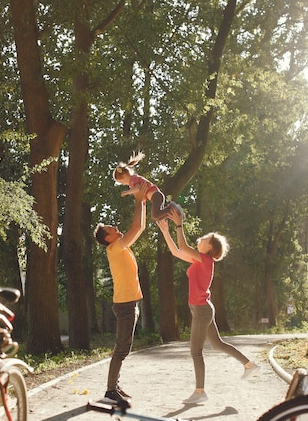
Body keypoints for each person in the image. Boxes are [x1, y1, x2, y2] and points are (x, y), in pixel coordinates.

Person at [157, 210, 259, 404]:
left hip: (202, 309)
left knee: (195, 351)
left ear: (210, 247)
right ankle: (249, 364)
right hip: (202, 308)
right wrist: (165, 231)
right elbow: (176, 251)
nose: (201, 238)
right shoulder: (199, 259)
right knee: (218, 344)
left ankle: (200, 391)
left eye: (205, 238)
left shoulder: (205, 260)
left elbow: (182, 245)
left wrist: (179, 224)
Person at [93, 181, 148, 405]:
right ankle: (109, 391)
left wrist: (142, 202)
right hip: (125, 305)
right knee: (121, 348)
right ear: (108, 238)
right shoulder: (115, 248)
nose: (117, 228)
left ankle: (113, 386)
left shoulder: (120, 247)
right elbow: (136, 228)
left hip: (129, 304)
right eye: (112, 229)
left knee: (124, 348)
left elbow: (140, 227)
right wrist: (138, 201)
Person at [114, 152, 183, 222]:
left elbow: (137, 188)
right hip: (155, 197)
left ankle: (171, 208)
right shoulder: (133, 182)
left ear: (125, 176)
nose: (123, 184)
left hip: (156, 195)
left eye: (121, 182)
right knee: (158, 218)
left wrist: (127, 192)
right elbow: (141, 194)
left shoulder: (133, 180)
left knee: (155, 215)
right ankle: (174, 213)